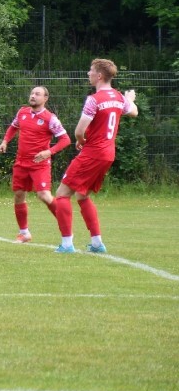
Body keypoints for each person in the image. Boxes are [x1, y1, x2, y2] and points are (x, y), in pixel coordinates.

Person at [52, 59, 138, 254]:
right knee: (82, 195)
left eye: (90, 71)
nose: (88, 74)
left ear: (99, 75)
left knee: (62, 194)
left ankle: (66, 244)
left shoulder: (94, 99)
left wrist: (81, 140)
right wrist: (129, 99)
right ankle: (97, 243)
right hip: (108, 154)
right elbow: (134, 112)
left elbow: (79, 131)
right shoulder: (117, 96)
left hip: (93, 152)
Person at [0, 86, 71, 242]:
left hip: (39, 164)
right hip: (21, 162)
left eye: (37, 94)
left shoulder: (50, 119)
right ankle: (24, 233)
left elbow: (66, 140)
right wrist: (4, 142)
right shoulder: (22, 112)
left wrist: (49, 152)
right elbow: (13, 127)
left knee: (44, 195)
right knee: (18, 195)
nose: (33, 96)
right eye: (32, 93)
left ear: (45, 99)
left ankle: (66, 224)